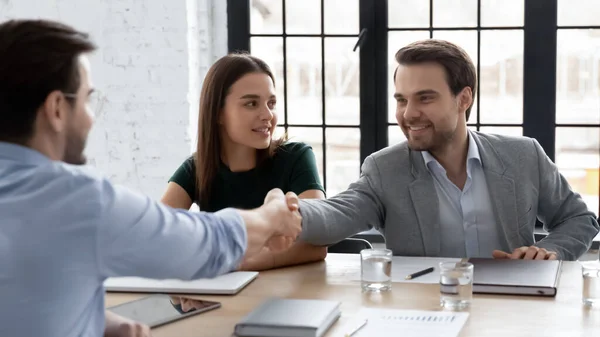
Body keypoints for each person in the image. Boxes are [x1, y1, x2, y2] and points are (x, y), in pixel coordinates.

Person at [0, 19, 301, 337]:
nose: (91, 117)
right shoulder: (76, 200)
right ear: (57, 108)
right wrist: (272, 215)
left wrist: (97, 321)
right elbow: (203, 242)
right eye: (88, 100)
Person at [297, 39, 599, 261]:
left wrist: (550, 252)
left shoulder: (524, 156)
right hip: (425, 315)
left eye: (424, 98)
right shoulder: (384, 169)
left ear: (463, 99)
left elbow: (579, 219)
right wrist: (288, 213)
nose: (408, 113)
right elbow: (336, 213)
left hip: (512, 310)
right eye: (402, 100)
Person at [161, 53, 327, 271]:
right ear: (218, 113)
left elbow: (316, 242)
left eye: (271, 103)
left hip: (287, 296)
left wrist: (234, 263)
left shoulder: (296, 157)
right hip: (226, 297)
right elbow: (156, 236)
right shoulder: (197, 167)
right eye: (251, 103)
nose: (267, 114)